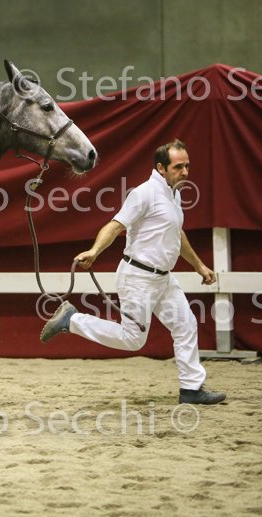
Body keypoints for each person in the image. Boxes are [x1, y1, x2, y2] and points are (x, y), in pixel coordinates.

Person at [40, 139, 226, 405]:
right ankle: (73, 320)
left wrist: (199, 265)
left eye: (187, 166)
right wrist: (94, 251)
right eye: (178, 167)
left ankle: (191, 389)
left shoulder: (174, 194)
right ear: (161, 168)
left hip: (163, 279)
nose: (185, 172)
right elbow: (116, 225)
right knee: (133, 340)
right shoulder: (144, 194)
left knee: (185, 324)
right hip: (138, 278)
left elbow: (176, 233)